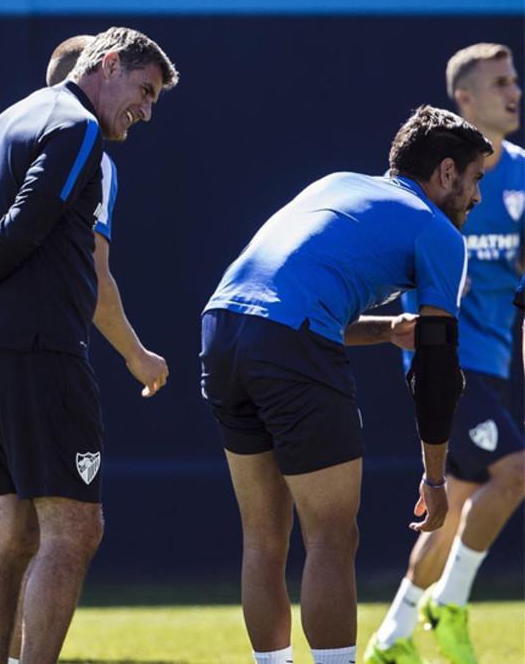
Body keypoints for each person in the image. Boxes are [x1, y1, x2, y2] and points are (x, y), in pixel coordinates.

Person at [0, 27, 178, 664]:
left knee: (4, 534)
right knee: (72, 530)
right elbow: (24, 228)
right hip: (41, 353)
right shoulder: (79, 128)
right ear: (109, 64)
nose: (144, 111)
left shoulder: (2, 122)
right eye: (144, 92)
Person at [200, 105, 490, 664]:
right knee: (332, 537)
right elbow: (436, 372)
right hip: (287, 343)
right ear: (447, 172)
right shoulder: (439, 232)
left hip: (222, 328)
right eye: (475, 179)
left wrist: (385, 330)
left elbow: (295, 302)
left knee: (263, 540)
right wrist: (435, 478)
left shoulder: (337, 184)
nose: (477, 197)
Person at [365, 44, 524, 664]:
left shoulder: (521, 178)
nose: (515, 91)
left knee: (452, 510)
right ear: (465, 98)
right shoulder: (437, 177)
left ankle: (391, 640)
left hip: (494, 362)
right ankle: (448, 605)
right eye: (501, 82)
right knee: (514, 474)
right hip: (446, 364)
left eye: (516, 80)